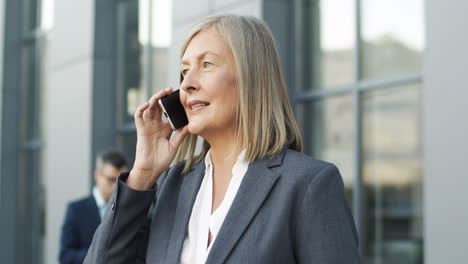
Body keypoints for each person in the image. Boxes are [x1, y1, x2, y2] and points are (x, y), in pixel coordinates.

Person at [85, 15, 360, 264]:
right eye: (184, 71)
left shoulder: (308, 184)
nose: (187, 84)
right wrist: (142, 175)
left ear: (251, 76)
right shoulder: (171, 186)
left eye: (206, 64)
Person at [59, 151, 128, 264]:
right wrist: (100, 254)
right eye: (111, 180)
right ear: (97, 176)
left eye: (121, 181)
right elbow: (66, 256)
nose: (116, 186)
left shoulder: (128, 209)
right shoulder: (76, 210)